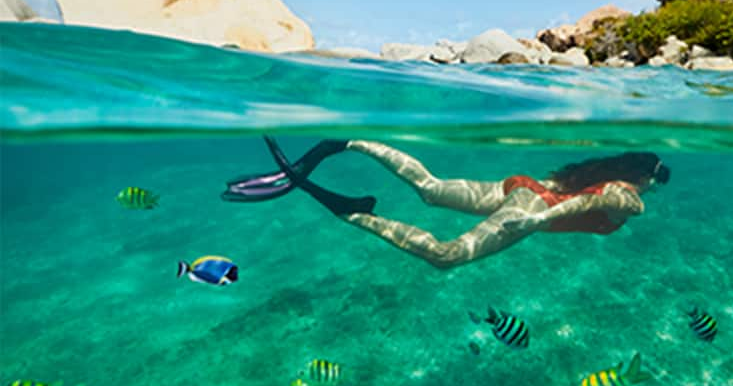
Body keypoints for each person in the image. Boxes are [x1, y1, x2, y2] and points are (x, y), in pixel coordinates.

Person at [222, 138, 670, 269]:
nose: (654, 188)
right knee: (446, 255)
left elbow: (579, 192)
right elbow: (582, 205)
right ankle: (358, 214)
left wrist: (537, 206)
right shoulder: (631, 199)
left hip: (523, 188)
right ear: (643, 178)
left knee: (430, 189)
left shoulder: (595, 172)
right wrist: (538, 219)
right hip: (533, 210)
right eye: (656, 180)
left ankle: (352, 143)